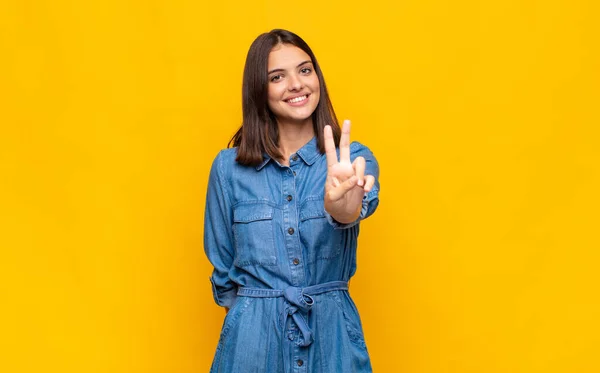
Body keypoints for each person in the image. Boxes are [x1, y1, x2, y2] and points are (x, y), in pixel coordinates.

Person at [204, 29, 380, 372]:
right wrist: (254, 327)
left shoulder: (352, 159)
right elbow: (224, 276)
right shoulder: (228, 169)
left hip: (333, 342)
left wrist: (339, 198)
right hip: (251, 344)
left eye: (305, 70)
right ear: (260, 90)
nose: (296, 84)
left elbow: (347, 211)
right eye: (277, 77)